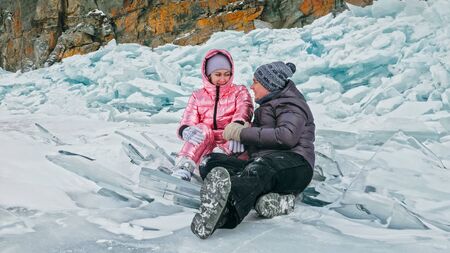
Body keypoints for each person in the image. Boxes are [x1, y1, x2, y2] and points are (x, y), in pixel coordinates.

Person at [190, 61, 315, 239]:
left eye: (256, 82)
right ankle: (277, 200)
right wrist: (241, 143)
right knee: (211, 161)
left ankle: (225, 212)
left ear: (269, 84)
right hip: (267, 165)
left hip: (295, 165)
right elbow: (263, 143)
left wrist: (243, 133)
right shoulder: (267, 106)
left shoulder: (291, 105)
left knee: (261, 168)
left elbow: (286, 137)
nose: (252, 86)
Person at [171, 49, 254, 181]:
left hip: (231, 146)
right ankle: (185, 165)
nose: (223, 79)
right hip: (204, 149)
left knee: (239, 129)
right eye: (218, 74)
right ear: (208, 74)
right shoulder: (198, 96)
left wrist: (237, 131)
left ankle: (221, 168)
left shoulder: (240, 92)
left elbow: (244, 111)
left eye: (227, 74)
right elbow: (189, 118)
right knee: (201, 128)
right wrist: (185, 129)